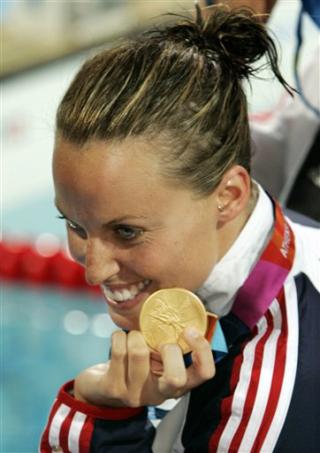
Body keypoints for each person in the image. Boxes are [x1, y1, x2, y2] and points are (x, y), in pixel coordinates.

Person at [40, 5, 320, 452]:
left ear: (228, 196)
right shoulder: (289, 241)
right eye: (74, 223)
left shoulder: (258, 416)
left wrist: (104, 414)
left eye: (126, 232)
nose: (93, 271)